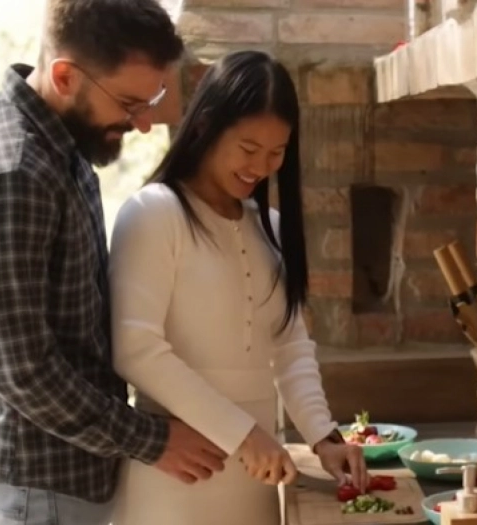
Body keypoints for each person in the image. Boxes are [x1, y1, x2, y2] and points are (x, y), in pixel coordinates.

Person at [0, 1, 227, 524]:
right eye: (129, 103)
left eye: (152, 100)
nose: (142, 123)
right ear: (65, 76)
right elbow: (24, 373)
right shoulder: (11, 174)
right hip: (38, 485)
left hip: (66, 477)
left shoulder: (60, 145)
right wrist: (153, 439)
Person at [107, 50, 368, 525]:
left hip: (257, 478)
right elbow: (136, 350)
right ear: (206, 125)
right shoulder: (152, 214)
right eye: (248, 148)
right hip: (175, 479)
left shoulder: (269, 226)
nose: (261, 167)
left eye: (277, 152)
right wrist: (243, 435)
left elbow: (291, 347)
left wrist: (324, 437)